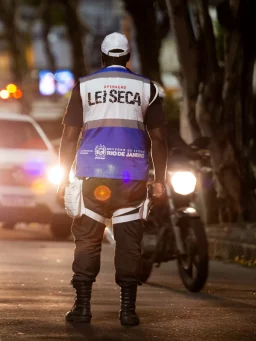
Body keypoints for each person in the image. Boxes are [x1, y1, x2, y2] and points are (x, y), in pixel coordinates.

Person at [57, 32, 168, 326]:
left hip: (93, 175)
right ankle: (128, 311)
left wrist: (61, 179)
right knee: (129, 243)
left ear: (104, 58)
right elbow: (158, 139)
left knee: (87, 240)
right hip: (132, 177)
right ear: (127, 58)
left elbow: (69, 137)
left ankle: (82, 308)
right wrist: (160, 180)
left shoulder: (85, 86)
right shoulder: (147, 88)